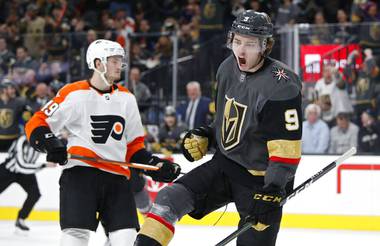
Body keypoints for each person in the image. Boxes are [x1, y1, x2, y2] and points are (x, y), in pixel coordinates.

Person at [134, 10, 302, 246]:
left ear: (266, 46)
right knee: (168, 199)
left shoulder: (281, 85)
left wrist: (274, 190)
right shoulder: (226, 69)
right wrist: (207, 135)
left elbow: (286, 149)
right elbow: (225, 121)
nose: (241, 50)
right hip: (224, 166)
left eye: (251, 44)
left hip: (260, 182)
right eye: (238, 41)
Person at [25, 39, 181, 246]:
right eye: (114, 60)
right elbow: (38, 121)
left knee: (126, 238)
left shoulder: (127, 98)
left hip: (117, 179)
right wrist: (51, 144)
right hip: (81, 175)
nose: (120, 65)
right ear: (98, 63)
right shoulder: (73, 93)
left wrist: (155, 165)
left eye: (120, 61)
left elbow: (134, 147)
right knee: (76, 236)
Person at [0, 135, 55, 234]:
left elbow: (56, 140)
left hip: (26, 172)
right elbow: (20, 165)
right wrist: (43, 165)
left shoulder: (43, 138)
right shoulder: (22, 140)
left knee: (35, 194)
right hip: (9, 169)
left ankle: (21, 219)